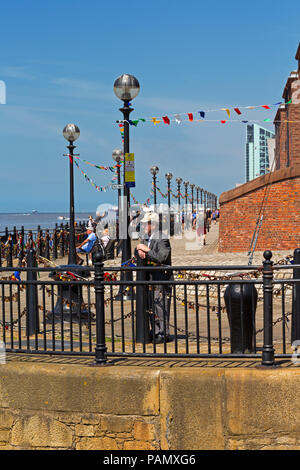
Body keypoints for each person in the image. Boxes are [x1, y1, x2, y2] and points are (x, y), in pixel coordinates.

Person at [136, 212, 173, 344]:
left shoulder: (162, 238)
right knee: (151, 306)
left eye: (147, 223)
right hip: (150, 278)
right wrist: (140, 250)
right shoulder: (146, 238)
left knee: (161, 307)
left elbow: (162, 257)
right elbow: (141, 249)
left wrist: (146, 250)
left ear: (154, 224)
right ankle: (155, 331)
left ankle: (164, 333)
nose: (144, 225)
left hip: (161, 278)